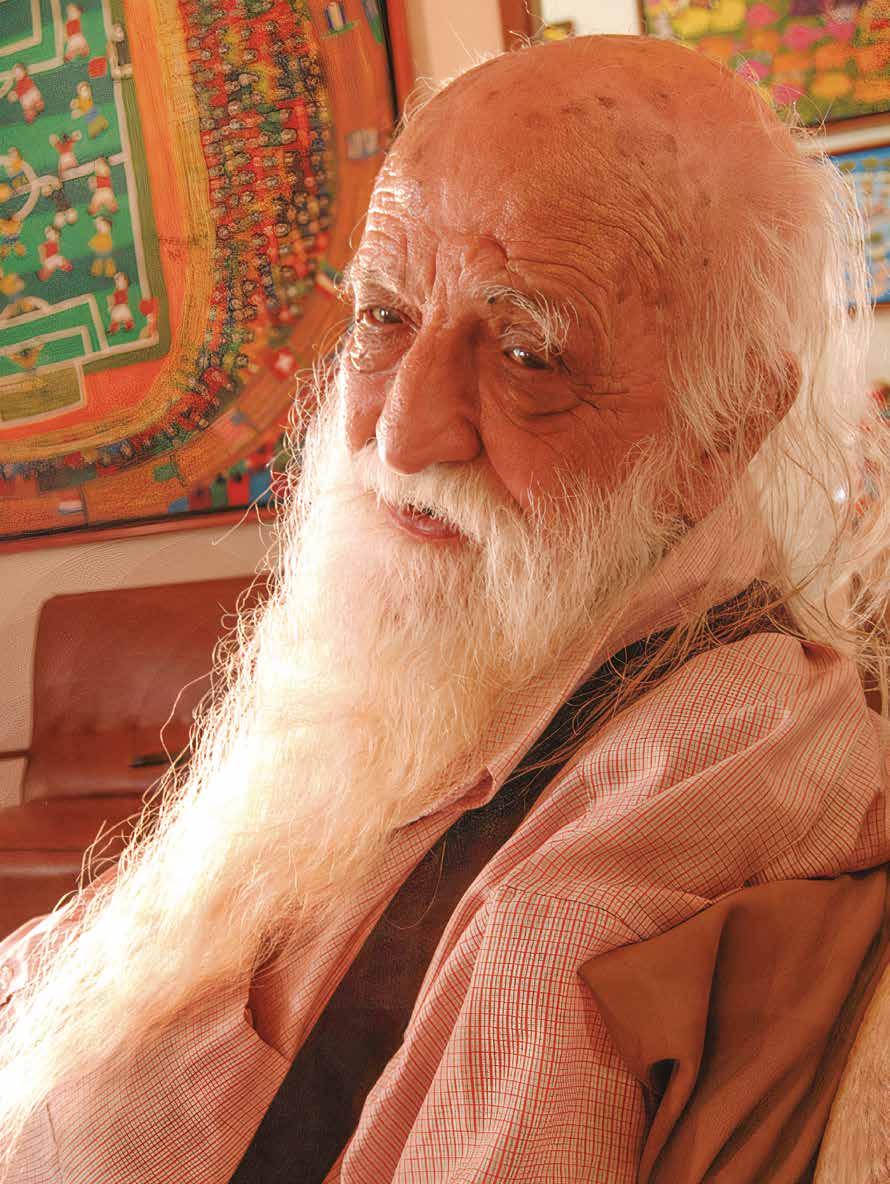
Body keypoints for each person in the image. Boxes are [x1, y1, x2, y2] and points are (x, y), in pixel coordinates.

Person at [0, 33, 888, 1184]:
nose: (402, 428)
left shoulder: (682, 777)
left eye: (526, 351)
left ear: (724, 427)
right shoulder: (462, 641)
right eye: (382, 315)